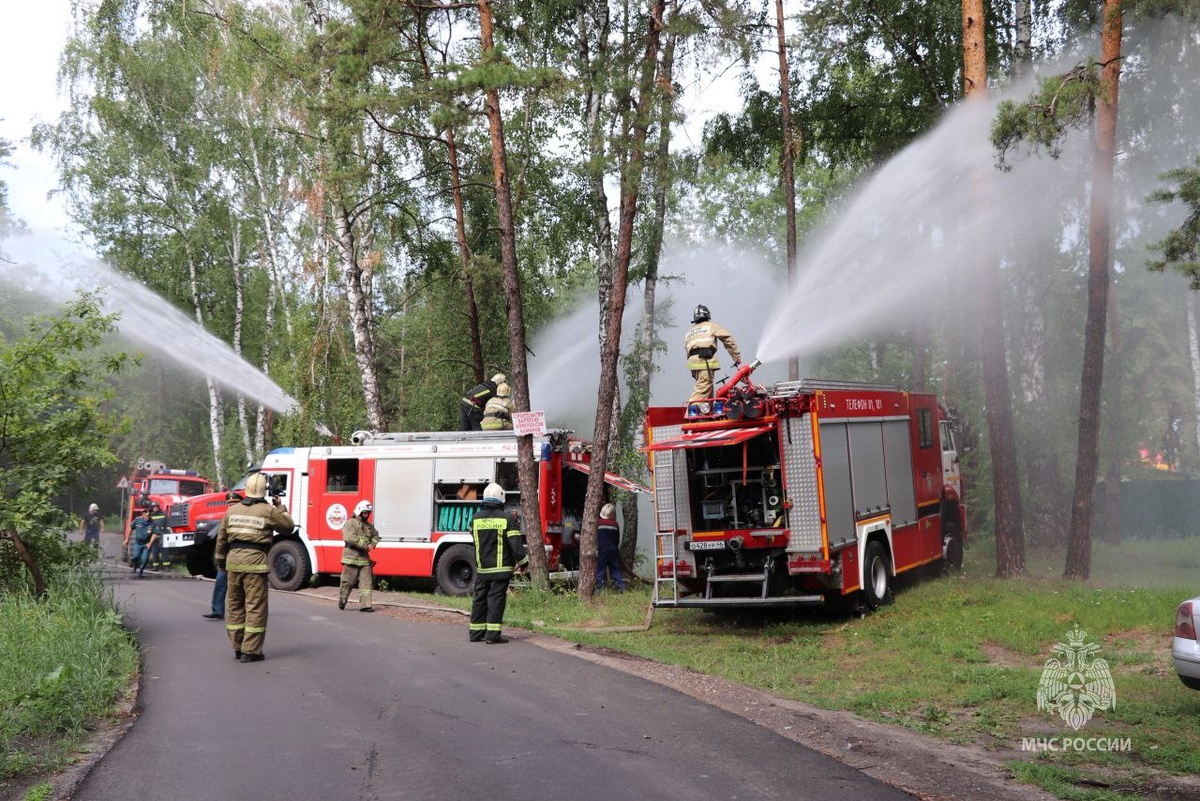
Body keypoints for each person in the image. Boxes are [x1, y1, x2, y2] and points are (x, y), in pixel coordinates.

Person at [215, 472, 294, 663]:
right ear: (264, 491)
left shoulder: (231, 511)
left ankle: (237, 647)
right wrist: (280, 507)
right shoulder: (268, 510)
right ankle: (250, 651)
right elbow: (288, 527)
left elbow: (221, 540)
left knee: (234, 606)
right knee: (255, 608)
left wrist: (220, 562)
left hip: (233, 564)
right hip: (255, 566)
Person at [468, 482, 526, 644]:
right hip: (501, 569)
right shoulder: (507, 518)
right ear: (501, 498)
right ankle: (492, 635)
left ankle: (475, 633)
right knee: (496, 599)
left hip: (482, 569)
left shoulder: (475, 519)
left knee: (479, 598)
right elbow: (516, 544)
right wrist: (523, 562)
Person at [684, 304, 741, 402]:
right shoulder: (711, 326)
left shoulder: (690, 332)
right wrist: (736, 356)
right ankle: (691, 409)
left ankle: (705, 414)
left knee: (707, 388)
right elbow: (728, 339)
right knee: (702, 389)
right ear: (707, 315)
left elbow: (687, 350)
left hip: (693, 363)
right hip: (704, 360)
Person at [339, 500, 381, 612]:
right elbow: (349, 537)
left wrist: (373, 544)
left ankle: (365, 605)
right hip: (351, 557)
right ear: (359, 511)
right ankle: (343, 598)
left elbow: (376, 536)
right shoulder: (350, 523)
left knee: (366, 582)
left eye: (368, 513)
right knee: (348, 582)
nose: (366, 515)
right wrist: (365, 545)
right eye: (365, 513)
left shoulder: (369, 526)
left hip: (364, 559)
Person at [596, 503, 625, 592]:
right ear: (612, 513)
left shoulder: (599, 523)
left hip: (602, 551)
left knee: (600, 570)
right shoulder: (615, 524)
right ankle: (621, 588)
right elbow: (617, 539)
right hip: (613, 550)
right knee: (615, 570)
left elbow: (596, 537)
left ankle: (600, 589)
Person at [125, 508, 157, 578]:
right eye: (146, 515)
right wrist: (127, 539)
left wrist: (150, 543)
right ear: (143, 515)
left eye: (149, 516)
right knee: (135, 557)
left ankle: (141, 572)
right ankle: (135, 566)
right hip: (138, 543)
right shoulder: (138, 520)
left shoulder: (153, 522)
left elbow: (154, 534)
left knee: (144, 559)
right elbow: (130, 528)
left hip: (146, 544)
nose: (148, 517)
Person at [148, 502, 168, 568]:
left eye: (156, 507)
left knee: (164, 551)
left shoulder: (163, 514)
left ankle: (166, 566)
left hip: (163, 535)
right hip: (154, 536)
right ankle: (155, 566)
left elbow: (167, 524)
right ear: (152, 508)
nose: (155, 508)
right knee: (155, 551)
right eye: (154, 507)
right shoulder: (150, 515)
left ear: (158, 507)